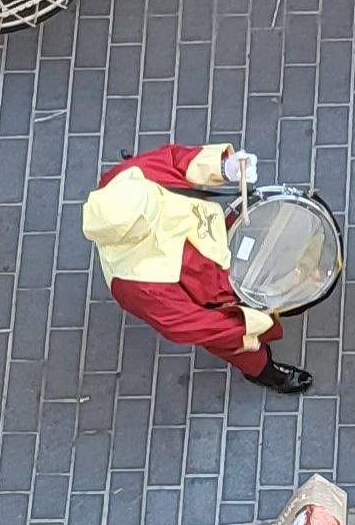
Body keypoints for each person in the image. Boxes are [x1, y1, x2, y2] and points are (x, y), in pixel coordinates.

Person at [83, 140, 307, 391]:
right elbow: (193, 324)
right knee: (243, 349)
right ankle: (264, 372)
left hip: (217, 244)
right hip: (217, 299)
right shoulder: (134, 283)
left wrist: (224, 167)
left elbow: (174, 162)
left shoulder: (127, 181)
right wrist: (248, 326)